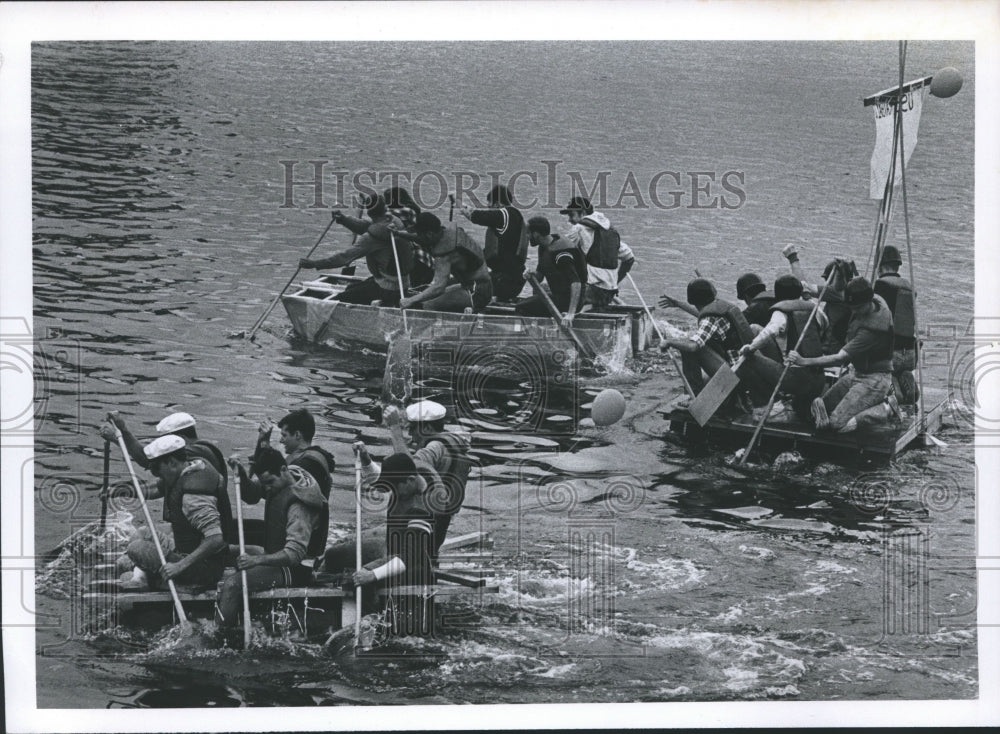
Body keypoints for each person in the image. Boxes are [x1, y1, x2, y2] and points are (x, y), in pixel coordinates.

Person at [215, 448, 328, 644]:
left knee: (232, 585)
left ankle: (221, 641)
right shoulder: (286, 475)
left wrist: (257, 560)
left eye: (269, 483)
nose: (266, 488)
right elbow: (251, 495)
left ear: (283, 470)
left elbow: (294, 554)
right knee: (227, 551)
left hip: (296, 568)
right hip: (277, 557)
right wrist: (241, 472)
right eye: (264, 483)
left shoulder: (299, 505)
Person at [787, 276, 900, 433]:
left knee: (837, 424)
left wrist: (804, 361)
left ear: (868, 302)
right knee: (822, 410)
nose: (854, 312)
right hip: (857, 373)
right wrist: (843, 271)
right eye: (852, 307)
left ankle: (886, 408)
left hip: (875, 380)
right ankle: (865, 405)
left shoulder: (871, 331)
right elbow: (841, 290)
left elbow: (839, 358)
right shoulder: (875, 299)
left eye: (858, 308)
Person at [122, 435, 233, 591]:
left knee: (136, 549)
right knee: (141, 533)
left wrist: (179, 566)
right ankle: (142, 576)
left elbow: (216, 539)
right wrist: (122, 491)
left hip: (203, 567)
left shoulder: (193, 497)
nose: (155, 474)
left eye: (156, 469)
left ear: (172, 462)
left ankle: (152, 579)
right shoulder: (190, 468)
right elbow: (154, 489)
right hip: (185, 550)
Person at [352, 452, 439, 637]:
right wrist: (366, 460)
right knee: (335, 555)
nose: (392, 492)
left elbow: (408, 559)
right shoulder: (404, 483)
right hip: (391, 552)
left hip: (414, 566)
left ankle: (372, 628)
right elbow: (380, 478)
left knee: (363, 575)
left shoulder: (420, 509)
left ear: (409, 480)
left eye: (395, 488)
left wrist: (372, 575)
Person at [658, 278, 771, 406]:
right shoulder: (722, 308)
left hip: (735, 377)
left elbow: (693, 346)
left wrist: (669, 342)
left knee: (688, 346)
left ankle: (694, 398)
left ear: (694, 300)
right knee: (697, 344)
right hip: (747, 371)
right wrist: (678, 304)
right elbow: (702, 315)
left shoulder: (710, 317)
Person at [738, 274, 829, 421]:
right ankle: (790, 401)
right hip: (819, 378)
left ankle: (764, 406)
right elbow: (825, 325)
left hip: (796, 379)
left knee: (748, 360)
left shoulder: (781, 312)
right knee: (757, 330)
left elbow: (770, 330)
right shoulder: (816, 310)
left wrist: (750, 347)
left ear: (778, 295)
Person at [299, 193, 412, 307]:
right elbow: (367, 226)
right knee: (350, 288)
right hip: (401, 283)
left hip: (388, 288)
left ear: (370, 214)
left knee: (341, 298)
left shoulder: (370, 239)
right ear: (384, 208)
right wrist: (344, 220)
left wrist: (314, 264)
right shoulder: (393, 221)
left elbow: (344, 258)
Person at [392, 212, 493, 313]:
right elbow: (423, 239)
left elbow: (439, 287)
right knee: (425, 296)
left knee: (428, 304)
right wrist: (399, 233)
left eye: (420, 234)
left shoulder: (445, 254)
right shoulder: (446, 232)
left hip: (477, 293)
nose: (418, 237)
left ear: (429, 234)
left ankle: (437, 328)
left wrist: (410, 301)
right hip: (476, 285)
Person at [100, 411, 227, 485]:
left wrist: (121, 434)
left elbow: (146, 459)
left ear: (181, 437)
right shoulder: (194, 452)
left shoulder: (197, 451)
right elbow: (157, 486)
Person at [559, 196, 634, 311]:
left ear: (582, 213)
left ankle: (582, 308)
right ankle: (597, 305)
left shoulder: (579, 228)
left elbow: (559, 251)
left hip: (591, 291)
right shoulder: (609, 231)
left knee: (549, 289)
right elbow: (629, 259)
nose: (569, 220)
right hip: (609, 292)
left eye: (571, 215)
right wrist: (615, 281)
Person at [781, 244, 856, 353]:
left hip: (830, 348)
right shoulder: (854, 290)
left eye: (827, 280)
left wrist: (793, 258)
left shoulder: (836, 292)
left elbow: (802, 286)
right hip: (842, 345)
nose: (826, 283)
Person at [460, 184, 527, 302]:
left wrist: (459, 203)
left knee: (463, 288)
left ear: (498, 203)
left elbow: (478, 216)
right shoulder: (515, 218)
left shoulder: (505, 214)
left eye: (490, 205)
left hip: (503, 281)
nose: (488, 207)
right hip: (512, 280)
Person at [515, 215, 585, 327]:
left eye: (528, 233)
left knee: (521, 307)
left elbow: (576, 282)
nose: (527, 237)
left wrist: (571, 313)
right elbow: (540, 276)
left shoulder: (560, 253)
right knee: (527, 301)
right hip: (558, 295)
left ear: (536, 234)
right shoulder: (543, 247)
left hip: (569, 301)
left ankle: (535, 337)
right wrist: (531, 274)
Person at [873, 245, 918, 404]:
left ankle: (893, 388)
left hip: (891, 354)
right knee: (901, 370)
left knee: (880, 373)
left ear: (880, 266)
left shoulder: (880, 285)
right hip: (910, 354)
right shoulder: (910, 288)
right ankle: (906, 381)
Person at [384, 186, 434, 288]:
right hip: (426, 260)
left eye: (387, 200)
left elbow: (385, 213)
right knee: (417, 287)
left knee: (411, 288)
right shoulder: (413, 210)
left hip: (415, 259)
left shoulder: (404, 211)